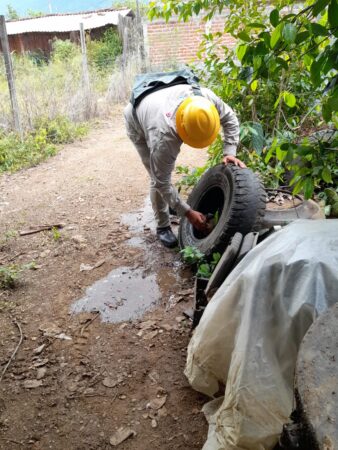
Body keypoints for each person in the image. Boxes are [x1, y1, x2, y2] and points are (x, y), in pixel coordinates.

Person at [124, 78, 245, 248]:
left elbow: (230, 118)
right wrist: (187, 213)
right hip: (136, 117)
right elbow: (161, 182)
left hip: (163, 99)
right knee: (155, 175)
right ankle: (163, 226)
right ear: (181, 131)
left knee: (163, 181)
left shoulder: (206, 99)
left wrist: (230, 152)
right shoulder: (163, 136)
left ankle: (173, 204)